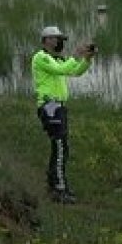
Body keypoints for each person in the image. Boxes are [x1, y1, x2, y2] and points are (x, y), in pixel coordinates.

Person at [32, 26, 96, 204]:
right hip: (49, 106)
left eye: (61, 39)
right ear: (46, 40)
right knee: (60, 148)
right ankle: (59, 190)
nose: (60, 42)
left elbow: (74, 71)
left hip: (59, 107)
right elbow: (61, 70)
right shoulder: (41, 57)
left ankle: (55, 185)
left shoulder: (57, 59)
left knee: (61, 148)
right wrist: (76, 54)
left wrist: (87, 59)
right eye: (57, 39)